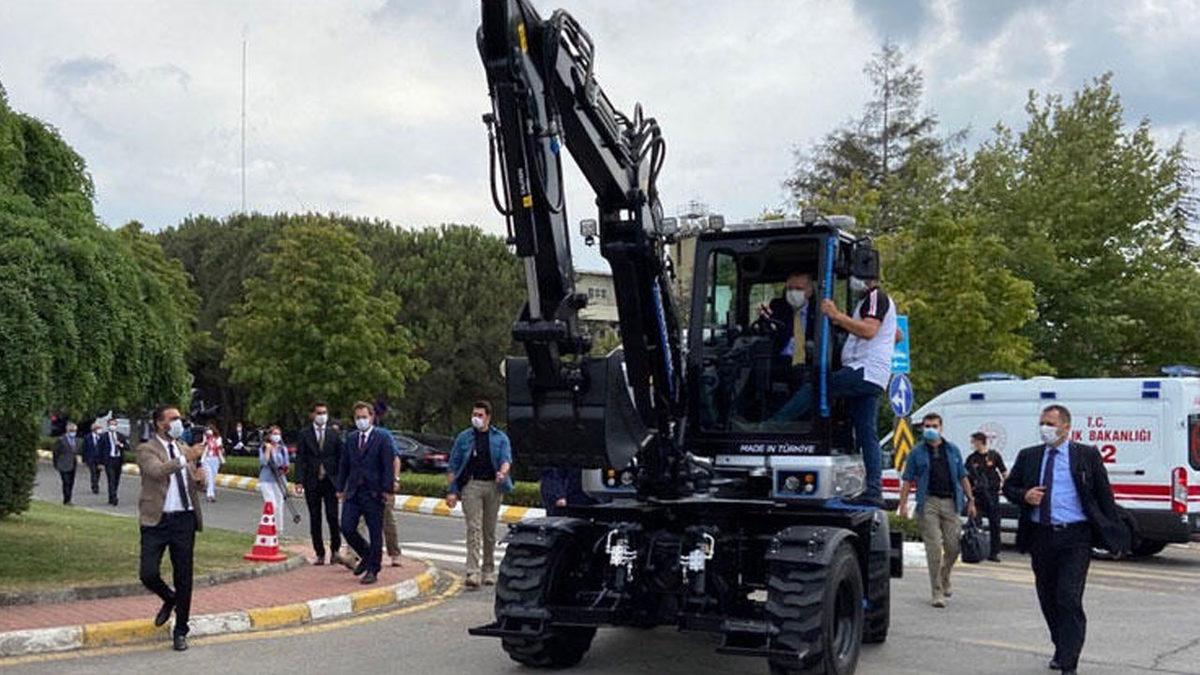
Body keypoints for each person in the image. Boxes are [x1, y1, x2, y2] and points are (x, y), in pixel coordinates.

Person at [1002, 405, 1129, 675]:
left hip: (1075, 537)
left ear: (1066, 427)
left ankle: (1069, 663)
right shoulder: (1029, 456)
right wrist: (1025, 495)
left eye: (1050, 423)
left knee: (1068, 597)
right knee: (1048, 597)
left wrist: (1114, 534)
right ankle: (1061, 647)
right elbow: (1009, 487)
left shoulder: (1085, 455)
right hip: (1041, 535)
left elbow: (1104, 496)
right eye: (1042, 422)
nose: (1044, 428)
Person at [772, 271, 897, 506]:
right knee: (867, 434)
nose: (852, 280)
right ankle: (874, 490)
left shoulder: (875, 296)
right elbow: (895, 334)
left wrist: (836, 315)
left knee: (818, 386)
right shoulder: (869, 302)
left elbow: (869, 331)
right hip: (873, 376)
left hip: (864, 370)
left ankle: (775, 425)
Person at [137, 404, 206, 652]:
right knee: (148, 573)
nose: (178, 422)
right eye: (173, 418)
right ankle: (170, 598)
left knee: (184, 576)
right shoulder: (147, 449)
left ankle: (181, 630)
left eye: (179, 418)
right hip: (156, 520)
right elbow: (157, 472)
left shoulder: (183, 448)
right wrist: (185, 459)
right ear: (159, 423)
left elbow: (193, 483)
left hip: (184, 519)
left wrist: (200, 479)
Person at [895, 412, 976, 608]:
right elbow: (907, 480)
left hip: (951, 502)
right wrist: (903, 504)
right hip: (928, 502)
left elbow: (962, 476)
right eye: (927, 426)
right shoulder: (917, 452)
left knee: (953, 546)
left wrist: (971, 500)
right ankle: (937, 591)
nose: (930, 429)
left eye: (934, 426)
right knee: (933, 549)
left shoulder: (952, 450)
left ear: (941, 428)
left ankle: (945, 575)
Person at [445, 400, 513, 589]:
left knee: (489, 531)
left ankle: (488, 570)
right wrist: (452, 491)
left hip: (493, 486)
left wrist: (503, 473)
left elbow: (506, 459)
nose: (476, 418)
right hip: (471, 485)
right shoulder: (464, 437)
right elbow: (453, 465)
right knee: (473, 528)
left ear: (488, 417)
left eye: (480, 415)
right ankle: (472, 571)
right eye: (474, 414)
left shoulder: (500, 438)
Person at [337, 402, 395, 585]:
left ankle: (373, 569)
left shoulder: (382, 437)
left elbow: (388, 465)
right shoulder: (351, 438)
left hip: (374, 492)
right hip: (354, 491)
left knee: (375, 531)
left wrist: (388, 490)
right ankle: (367, 554)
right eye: (358, 417)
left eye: (364, 417)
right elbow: (344, 464)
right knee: (347, 526)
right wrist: (340, 488)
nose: (361, 420)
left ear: (371, 417)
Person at [294, 402, 345, 566]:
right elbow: (300, 458)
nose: (322, 416)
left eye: (324, 413)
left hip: (331, 481)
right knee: (315, 518)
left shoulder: (333, 434)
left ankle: (335, 550)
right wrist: (299, 481)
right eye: (319, 413)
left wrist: (341, 482)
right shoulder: (304, 434)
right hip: (312, 481)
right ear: (312, 415)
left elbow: (341, 458)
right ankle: (320, 553)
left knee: (332, 516)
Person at [759, 271, 818, 365]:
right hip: (778, 363)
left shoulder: (819, 311)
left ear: (809, 291)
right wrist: (763, 318)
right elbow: (766, 332)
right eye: (790, 289)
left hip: (809, 364)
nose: (793, 293)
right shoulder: (777, 307)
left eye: (798, 289)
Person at [965, 431, 1007, 562]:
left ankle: (994, 552)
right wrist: (970, 496)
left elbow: (1004, 472)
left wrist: (1007, 487)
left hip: (992, 495)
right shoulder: (972, 459)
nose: (972, 444)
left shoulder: (994, 456)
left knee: (995, 524)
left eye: (974, 442)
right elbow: (965, 477)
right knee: (976, 523)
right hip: (977, 496)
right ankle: (976, 549)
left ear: (980, 442)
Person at [258, 425, 290, 535]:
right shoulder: (264, 447)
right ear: (270, 435)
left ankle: (279, 529)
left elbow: (286, 464)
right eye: (275, 434)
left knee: (280, 504)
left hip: (279, 479)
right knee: (271, 504)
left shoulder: (283, 449)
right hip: (266, 479)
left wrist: (283, 469)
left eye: (278, 434)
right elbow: (263, 462)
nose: (277, 436)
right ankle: (268, 527)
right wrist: (268, 450)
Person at [100, 418, 128, 506]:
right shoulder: (103, 436)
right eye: (111, 424)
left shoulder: (120, 435)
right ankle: (114, 497)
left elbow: (127, 446)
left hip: (118, 459)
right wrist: (100, 463)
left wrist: (121, 445)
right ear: (108, 425)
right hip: (109, 460)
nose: (113, 426)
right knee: (111, 479)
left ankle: (112, 496)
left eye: (114, 424)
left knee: (116, 480)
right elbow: (99, 449)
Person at [52, 423, 80, 505]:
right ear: (67, 430)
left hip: (73, 464)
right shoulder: (61, 440)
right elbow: (56, 452)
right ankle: (67, 500)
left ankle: (69, 498)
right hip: (63, 464)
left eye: (75, 430)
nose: (73, 432)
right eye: (71, 430)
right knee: (66, 482)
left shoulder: (76, 440)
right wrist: (56, 463)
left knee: (71, 482)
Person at [200, 423, 225, 503]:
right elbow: (203, 445)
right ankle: (210, 495)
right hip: (207, 459)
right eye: (207, 430)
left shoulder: (218, 438)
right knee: (210, 476)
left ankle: (211, 493)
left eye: (209, 429)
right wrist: (206, 440)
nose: (208, 431)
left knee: (213, 477)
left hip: (215, 459)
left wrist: (222, 459)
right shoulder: (206, 438)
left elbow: (219, 447)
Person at [83, 421, 104, 495]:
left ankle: (95, 483)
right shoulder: (87, 437)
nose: (100, 430)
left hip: (99, 459)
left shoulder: (102, 437)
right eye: (98, 428)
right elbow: (84, 448)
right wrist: (84, 459)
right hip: (91, 458)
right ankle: (95, 487)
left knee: (98, 473)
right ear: (94, 429)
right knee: (93, 472)